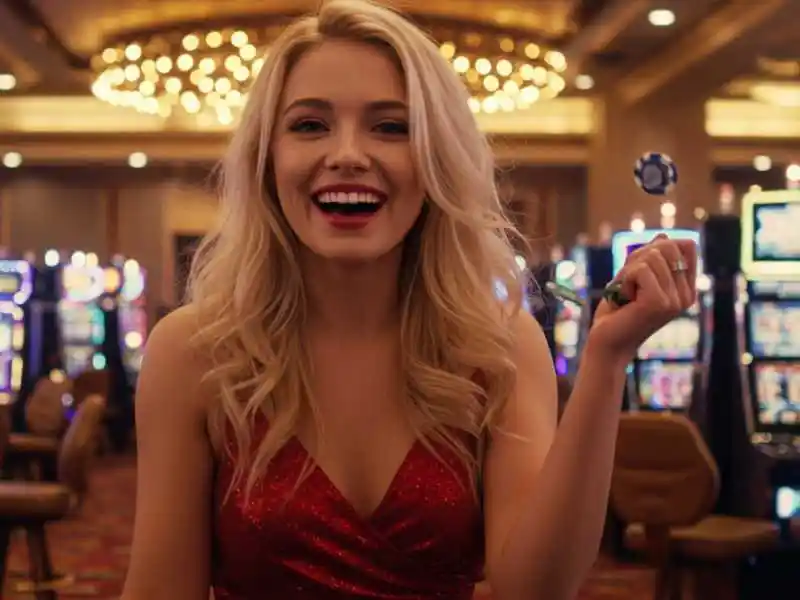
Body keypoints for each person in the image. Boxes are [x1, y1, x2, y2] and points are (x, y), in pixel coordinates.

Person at [121, 1, 698, 599]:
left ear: (436, 161)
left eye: (391, 126)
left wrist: (606, 362)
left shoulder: (498, 345)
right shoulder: (194, 350)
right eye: (310, 125)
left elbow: (534, 590)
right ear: (267, 161)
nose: (347, 153)